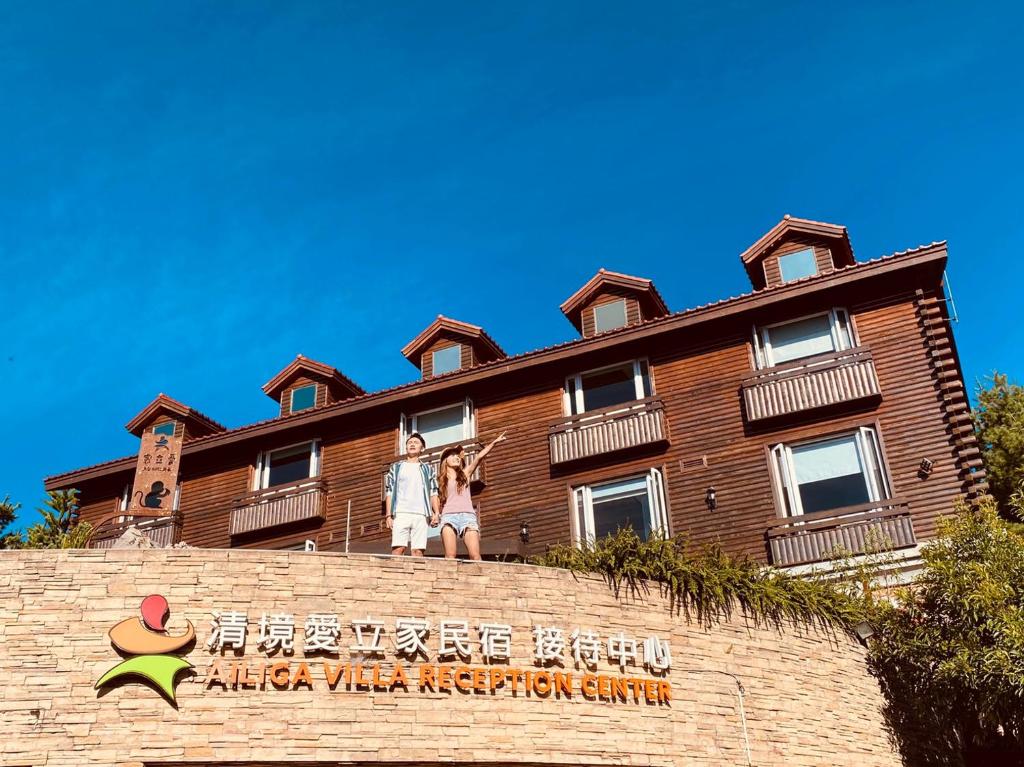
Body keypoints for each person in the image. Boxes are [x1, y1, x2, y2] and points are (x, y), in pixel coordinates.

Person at [438, 431, 507, 561]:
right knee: (450, 556)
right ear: (445, 460)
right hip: (448, 517)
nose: (457, 457)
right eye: (452, 455)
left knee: (475, 556)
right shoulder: (440, 480)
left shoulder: (465, 474)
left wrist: (494, 442)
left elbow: (478, 458)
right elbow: (435, 499)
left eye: (458, 456)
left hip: (467, 516)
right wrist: (436, 514)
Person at [384, 433, 440, 556]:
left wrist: (436, 513)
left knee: (418, 551)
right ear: (406, 447)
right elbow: (389, 491)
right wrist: (388, 515)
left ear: (422, 448)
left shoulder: (428, 469)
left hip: (422, 514)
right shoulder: (396, 468)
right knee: (398, 549)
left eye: (416, 442)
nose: (412, 444)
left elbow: (433, 492)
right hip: (400, 512)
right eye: (410, 443)